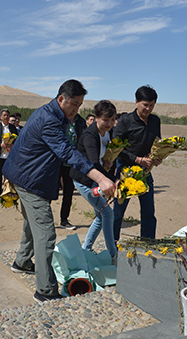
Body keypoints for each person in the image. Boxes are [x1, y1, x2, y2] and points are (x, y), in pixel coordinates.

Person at [3, 79, 116, 303]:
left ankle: (23, 262)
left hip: (28, 175)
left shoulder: (54, 114)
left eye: (80, 105)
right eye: (74, 104)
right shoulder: (49, 119)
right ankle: (45, 291)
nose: (76, 109)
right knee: (45, 233)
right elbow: (66, 152)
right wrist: (101, 177)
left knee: (31, 223)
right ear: (61, 99)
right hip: (30, 179)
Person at [113, 85, 162, 240]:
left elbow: (157, 143)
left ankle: (147, 244)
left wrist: (157, 156)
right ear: (136, 102)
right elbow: (116, 148)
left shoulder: (155, 121)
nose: (148, 109)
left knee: (148, 211)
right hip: (125, 170)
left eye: (152, 105)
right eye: (145, 105)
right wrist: (138, 159)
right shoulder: (125, 121)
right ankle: (112, 244)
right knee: (118, 212)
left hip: (145, 171)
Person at [70, 100, 118, 260]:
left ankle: (86, 248)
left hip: (97, 179)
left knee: (101, 215)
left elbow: (104, 156)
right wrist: (109, 180)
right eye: (106, 120)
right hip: (84, 180)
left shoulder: (108, 132)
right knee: (108, 214)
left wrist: (108, 163)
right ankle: (113, 254)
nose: (109, 123)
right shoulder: (89, 135)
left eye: (112, 120)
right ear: (96, 117)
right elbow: (92, 162)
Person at [58, 112, 87, 229]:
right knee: (51, 191)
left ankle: (64, 220)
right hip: (57, 161)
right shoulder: (59, 119)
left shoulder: (80, 121)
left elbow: (82, 139)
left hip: (72, 162)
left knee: (68, 192)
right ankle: (45, 221)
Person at [0, 109, 18, 199]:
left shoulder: (12, 128)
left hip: (10, 156)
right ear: (1, 117)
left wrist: (11, 145)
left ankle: (9, 191)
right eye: (4, 115)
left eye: (7, 115)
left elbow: (17, 139)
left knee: (10, 175)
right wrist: (0, 144)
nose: (6, 117)